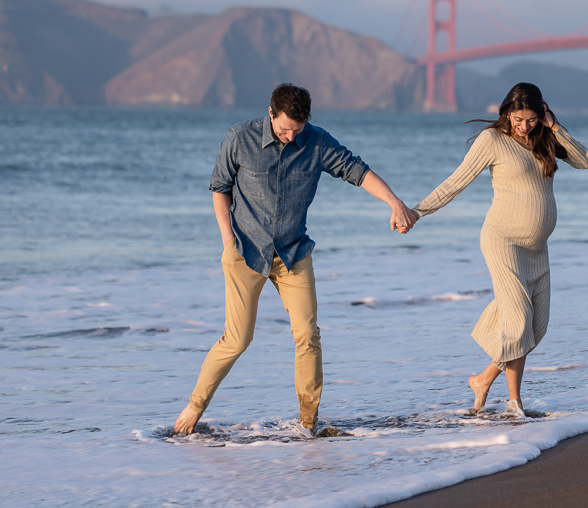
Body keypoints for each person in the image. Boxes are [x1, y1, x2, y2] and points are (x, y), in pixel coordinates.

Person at [174, 83, 416, 435]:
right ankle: (194, 408)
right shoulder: (239, 138)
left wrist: (394, 202)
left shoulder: (317, 141)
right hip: (245, 252)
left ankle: (308, 424)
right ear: (270, 113)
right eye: (285, 128)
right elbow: (220, 188)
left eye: (297, 130)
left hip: (293, 254)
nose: (290, 136)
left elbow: (357, 170)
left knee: (307, 334)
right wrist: (228, 240)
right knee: (237, 340)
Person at [411, 82, 588, 417]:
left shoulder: (544, 138)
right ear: (507, 111)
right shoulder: (492, 140)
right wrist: (417, 211)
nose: (524, 126)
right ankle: (514, 403)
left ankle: (483, 380)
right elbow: (456, 181)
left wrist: (553, 127)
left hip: (537, 249)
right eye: (518, 119)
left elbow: (583, 161)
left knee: (536, 327)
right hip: (502, 240)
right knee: (518, 320)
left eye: (532, 120)